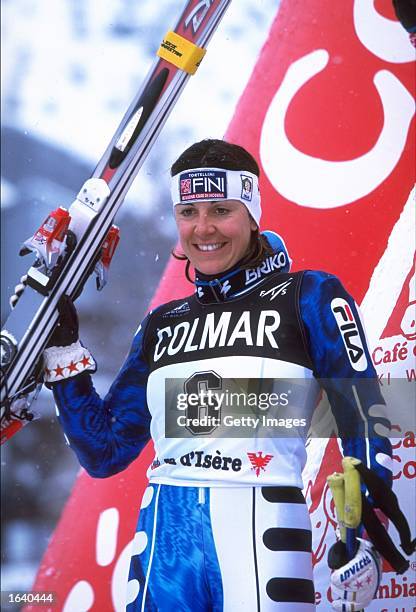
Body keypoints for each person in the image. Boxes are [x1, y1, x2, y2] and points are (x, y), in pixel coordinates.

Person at [44, 139, 400, 611]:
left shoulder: (308, 295)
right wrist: (66, 360)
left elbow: (362, 414)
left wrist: (365, 526)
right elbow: (104, 452)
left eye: (221, 210)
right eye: (188, 212)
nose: (203, 228)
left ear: (252, 214)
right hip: (166, 542)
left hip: (262, 526)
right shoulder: (163, 324)